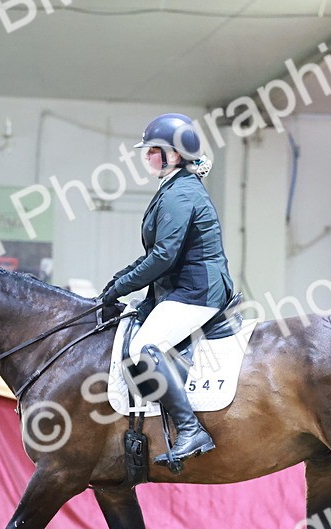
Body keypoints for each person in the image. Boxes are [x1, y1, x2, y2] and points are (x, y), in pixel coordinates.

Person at [98, 113, 234, 469]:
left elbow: (163, 256)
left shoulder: (182, 192)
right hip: (178, 289)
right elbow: (153, 255)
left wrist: (121, 287)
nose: (146, 157)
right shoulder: (174, 187)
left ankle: (191, 429)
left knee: (145, 348)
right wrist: (118, 280)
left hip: (197, 292)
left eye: (151, 151)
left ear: (173, 155)